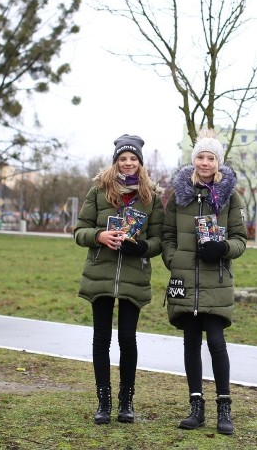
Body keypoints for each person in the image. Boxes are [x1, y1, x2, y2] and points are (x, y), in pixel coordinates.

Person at [162, 129, 247, 435]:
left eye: (211, 157)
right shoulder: (178, 197)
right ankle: (196, 407)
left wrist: (223, 249)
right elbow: (167, 235)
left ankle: (225, 407)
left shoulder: (229, 198)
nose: (206, 162)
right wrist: (173, 259)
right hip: (184, 280)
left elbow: (240, 239)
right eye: (201, 156)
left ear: (219, 162)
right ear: (193, 159)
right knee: (190, 343)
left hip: (216, 281)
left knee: (215, 342)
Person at [74, 134, 163, 425]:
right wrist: (98, 236)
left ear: (140, 163)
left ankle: (126, 402)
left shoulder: (151, 197)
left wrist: (142, 247)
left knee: (127, 338)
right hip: (101, 273)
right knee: (101, 339)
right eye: (123, 159)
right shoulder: (98, 192)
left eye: (133, 159)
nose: (128, 163)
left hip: (133, 276)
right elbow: (79, 231)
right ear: (115, 162)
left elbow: (159, 240)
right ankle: (104, 402)